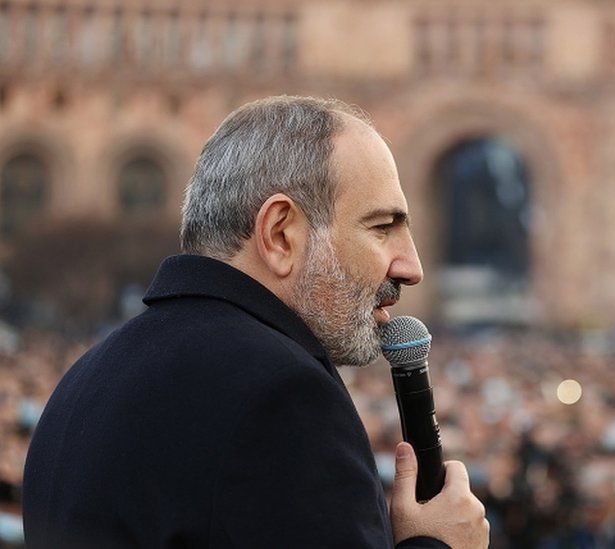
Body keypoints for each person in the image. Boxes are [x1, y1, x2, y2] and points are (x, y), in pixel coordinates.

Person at [21, 96, 489, 548]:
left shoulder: (87, 377)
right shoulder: (281, 395)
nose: (411, 266)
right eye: (382, 227)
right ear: (280, 234)